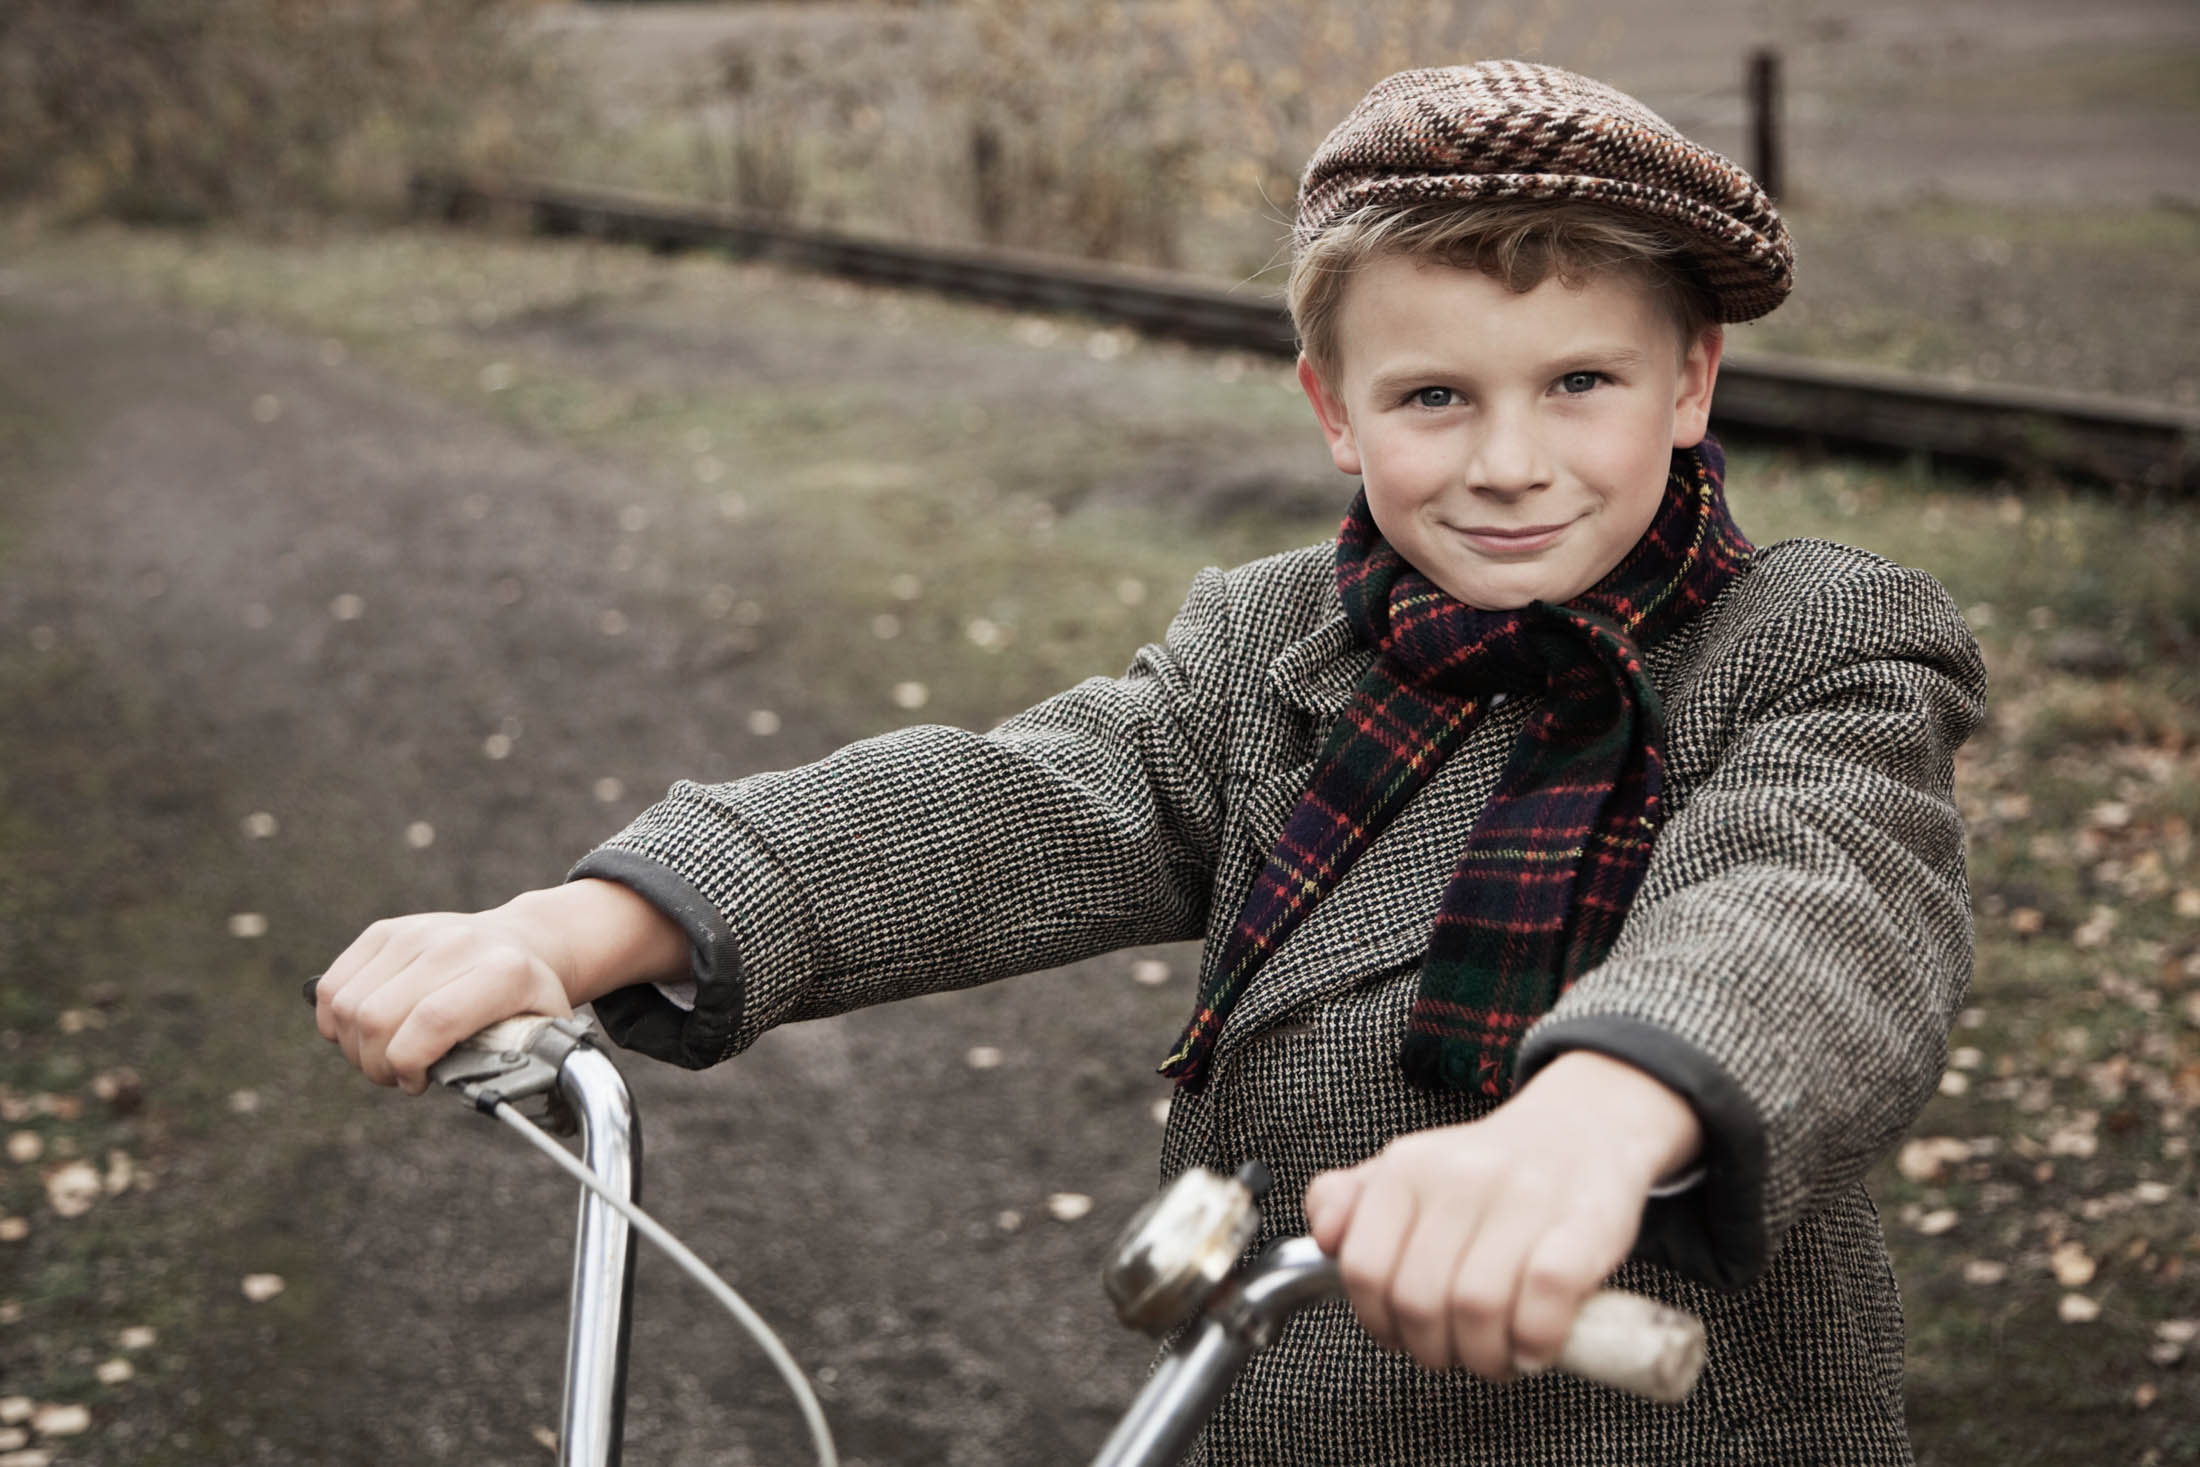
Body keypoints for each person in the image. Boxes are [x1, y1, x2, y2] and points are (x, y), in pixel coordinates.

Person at [316, 61, 1986, 1463]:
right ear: (1334, 411)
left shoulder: (1809, 644)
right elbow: (1016, 801)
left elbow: (1815, 898)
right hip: (1276, 1412)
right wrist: (574, 927)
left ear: (1691, 379)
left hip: (1665, 1426)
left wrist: (1593, 1122)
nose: (1508, 462)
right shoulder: (1276, 656)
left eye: (1579, 383)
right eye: (1431, 397)